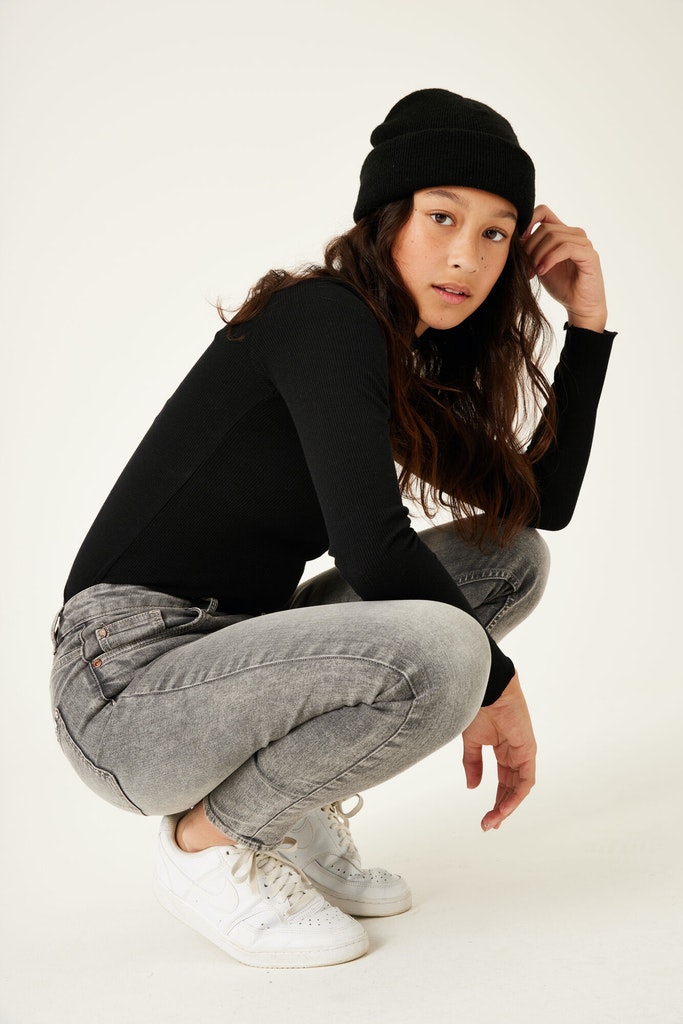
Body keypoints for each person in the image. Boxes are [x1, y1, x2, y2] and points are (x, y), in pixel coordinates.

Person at [49, 88, 614, 969]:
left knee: (507, 559)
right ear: (386, 216)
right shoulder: (323, 316)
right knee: (450, 649)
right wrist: (498, 689)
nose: (464, 256)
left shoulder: (394, 354)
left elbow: (541, 503)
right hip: (125, 689)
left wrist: (586, 324)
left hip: (237, 653)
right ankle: (205, 846)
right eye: (441, 217)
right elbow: (370, 546)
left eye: (496, 233)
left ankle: (283, 809)